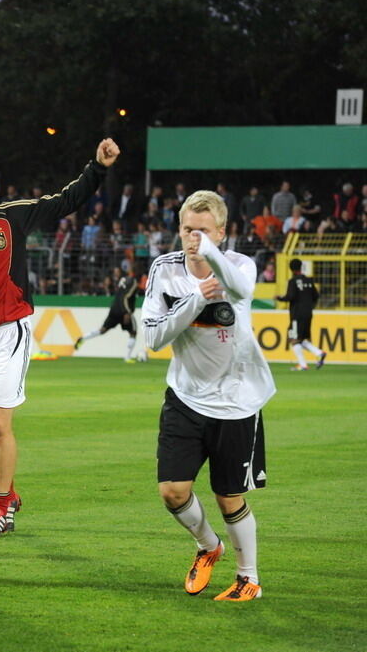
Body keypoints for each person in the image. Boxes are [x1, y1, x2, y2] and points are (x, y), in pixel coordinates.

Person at [0, 138, 119, 536]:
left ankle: (0, 509)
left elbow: (67, 200)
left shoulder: (13, 217)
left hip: (8, 329)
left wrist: (97, 167)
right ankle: (8, 491)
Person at [142, 190, 275, 602]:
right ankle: (207, 546)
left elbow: (237, 288)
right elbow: (152, 337)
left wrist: (212, 257)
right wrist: (198, 296)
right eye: (187, 230)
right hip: (185, 395)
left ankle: (248, 578)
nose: (193, 238)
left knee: (228, 494)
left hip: (235, 400)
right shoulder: (164, 270)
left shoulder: (240, 265)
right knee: (172, 491)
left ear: (222, 232)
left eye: (203, 231)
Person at [74, 266, 140, 362]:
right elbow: (125, 297)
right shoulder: (133, 281)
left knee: (102, 330)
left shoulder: (123, 279)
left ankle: (83, 338)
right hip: (124, 310)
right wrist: (127, 312)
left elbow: (120, 294)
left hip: (114, 308)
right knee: (133, 332)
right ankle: (127, 357)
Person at [275, 257, 326, 371]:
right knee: (301, 339)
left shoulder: (292, 282)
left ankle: (303, 365)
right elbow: (316, 296)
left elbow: (291, 297)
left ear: (291, 269)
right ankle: (319, 353)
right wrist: (310, 306)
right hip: (308, 313)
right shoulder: (309, 280)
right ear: (300, 267)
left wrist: (279, 298)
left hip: (297, 315)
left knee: (293, 337)